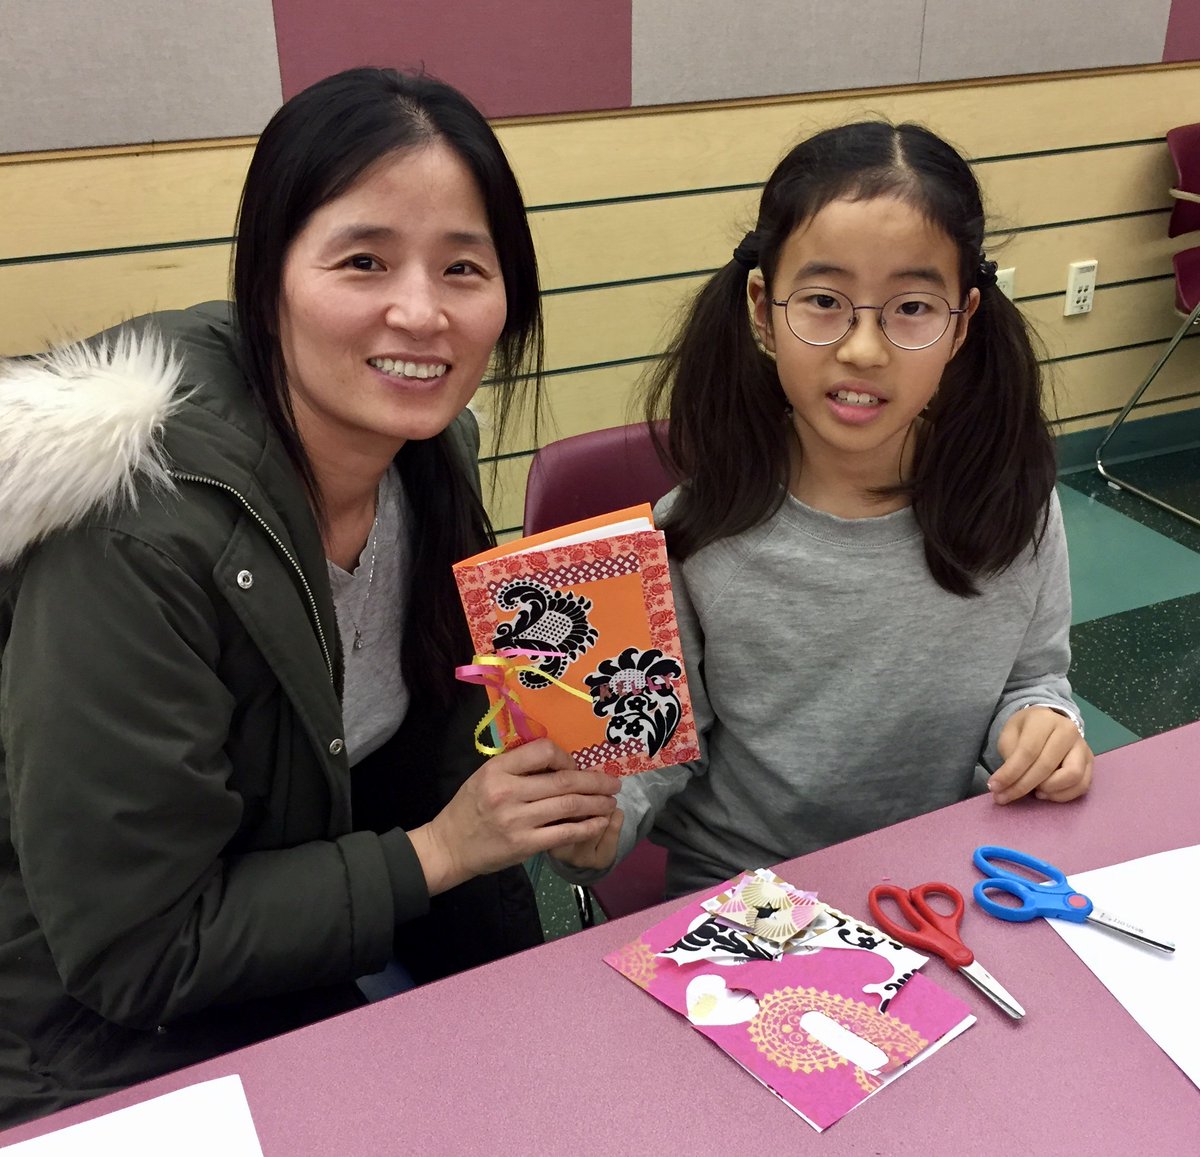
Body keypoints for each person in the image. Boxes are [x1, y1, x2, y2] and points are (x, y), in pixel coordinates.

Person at [0, 67, 619, 1126]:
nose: (420, 311)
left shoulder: (432, 456)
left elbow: (429, 733)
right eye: (364, 259)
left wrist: (556, 808)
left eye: (463, 266)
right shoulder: (136, 532)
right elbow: (139, 950)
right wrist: (446, 849)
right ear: (271, 273)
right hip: (100, 1047)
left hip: (323, 971)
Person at [552, 121, 1093, 900]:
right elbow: (659, 751)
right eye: (824, 301)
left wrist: (1044, 726)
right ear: (762, 310)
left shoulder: (1014, 502)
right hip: (749, 897)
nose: (864, 349)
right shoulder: (696, 532)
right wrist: (594, 825)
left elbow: (1037, 678)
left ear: (962, 322)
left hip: (951, 877)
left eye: (910, 307)